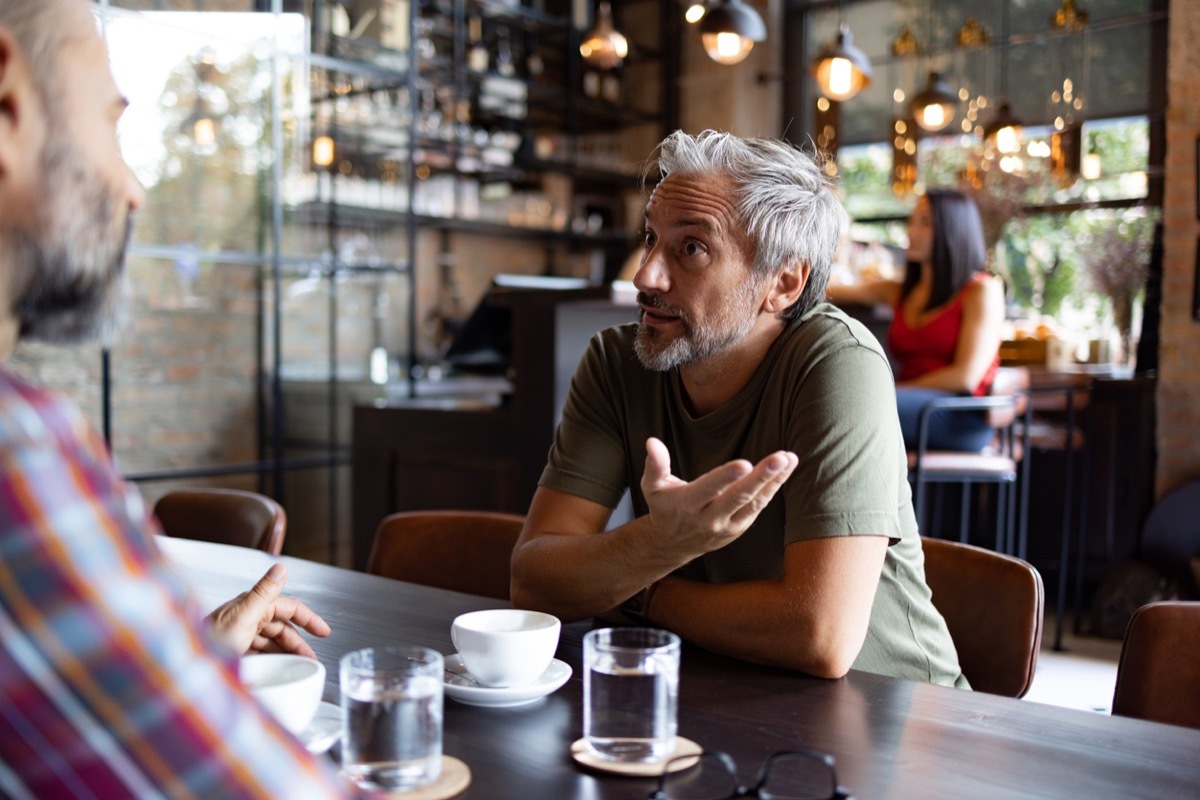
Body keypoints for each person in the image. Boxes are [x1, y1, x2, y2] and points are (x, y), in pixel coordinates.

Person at [0, 2, 355, 796]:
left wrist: (180, 657)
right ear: (6, 103)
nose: (132, 189)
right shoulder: (19, 449)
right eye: (109, 122)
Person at [509, 130, 966, 687]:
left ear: (784, 282)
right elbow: (533, 583)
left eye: (692, 248)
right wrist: (662, 541)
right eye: (652, 238)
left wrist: (638, 585)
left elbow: (819, 636)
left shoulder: (838, 362)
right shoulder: (615, 363)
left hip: (894, 718)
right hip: (723, 695)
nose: (646, 275)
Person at [828, 190, 1004, 452]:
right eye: (912, 221)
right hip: (907, 401)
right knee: (847, 402)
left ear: (953, 231)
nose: (912, 230)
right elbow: (833, 287)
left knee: (857, 405)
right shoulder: (902, 291)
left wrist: (891, 389)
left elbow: (965, 378)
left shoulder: (982, 290)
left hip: (958, 413)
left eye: (925, 223)